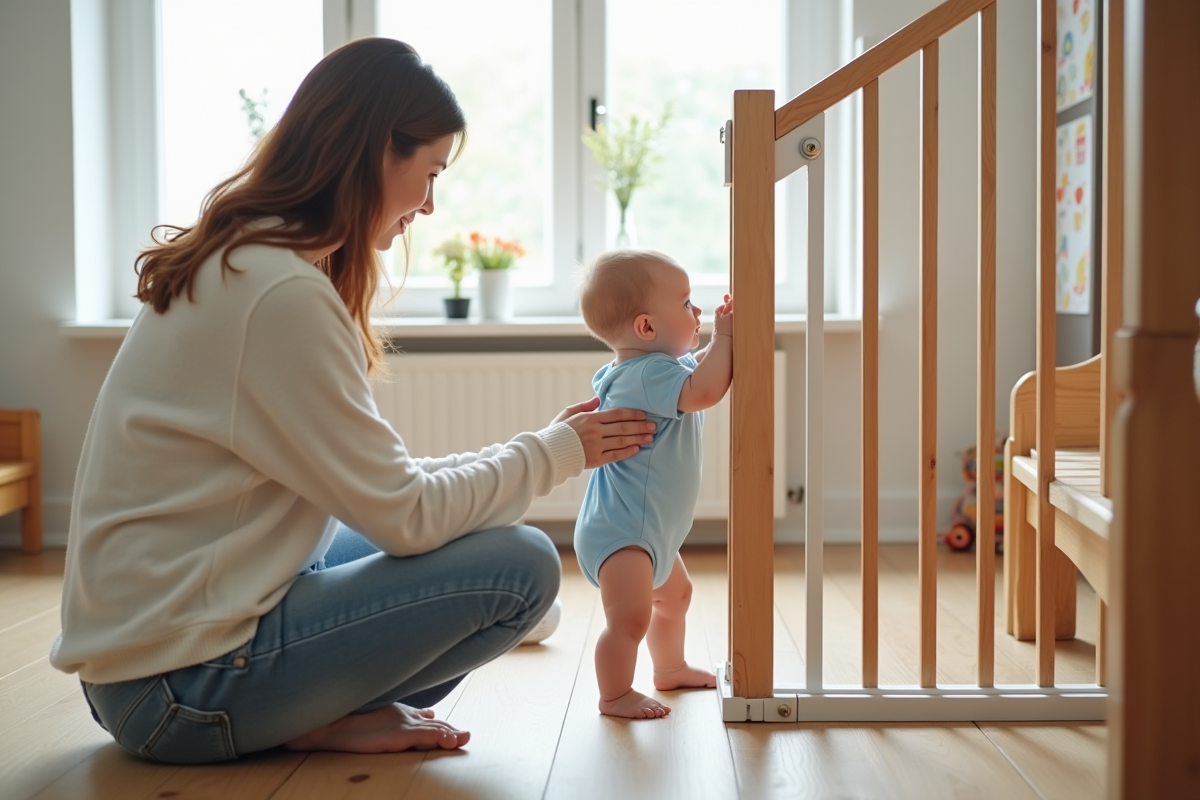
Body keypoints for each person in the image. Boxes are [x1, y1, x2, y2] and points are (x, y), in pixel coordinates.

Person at [48, 38, 657, 764]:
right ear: (374, 154)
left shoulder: (248, 260)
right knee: (518, 567)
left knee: (473, 538)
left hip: (147, 658)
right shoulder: (278, 296)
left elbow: (386, 489)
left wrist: (539, 448)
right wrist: (561, 453)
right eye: (429, 174)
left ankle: (310, 707)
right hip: (179, 691)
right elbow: (405, 514)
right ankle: (303, 716)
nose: (430, 206)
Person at [574, 249, 733, 719]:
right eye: (686, 304)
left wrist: (718, 343)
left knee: (675, 597)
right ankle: (615, 695)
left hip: (646, 530)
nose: (697, 311)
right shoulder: (648, 374)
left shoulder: (653, 368)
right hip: (624, 532)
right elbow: (706, 389)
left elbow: (697, 369)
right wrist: (727, 336)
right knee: (630, 620)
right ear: (646, 328)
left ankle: (670, 669)